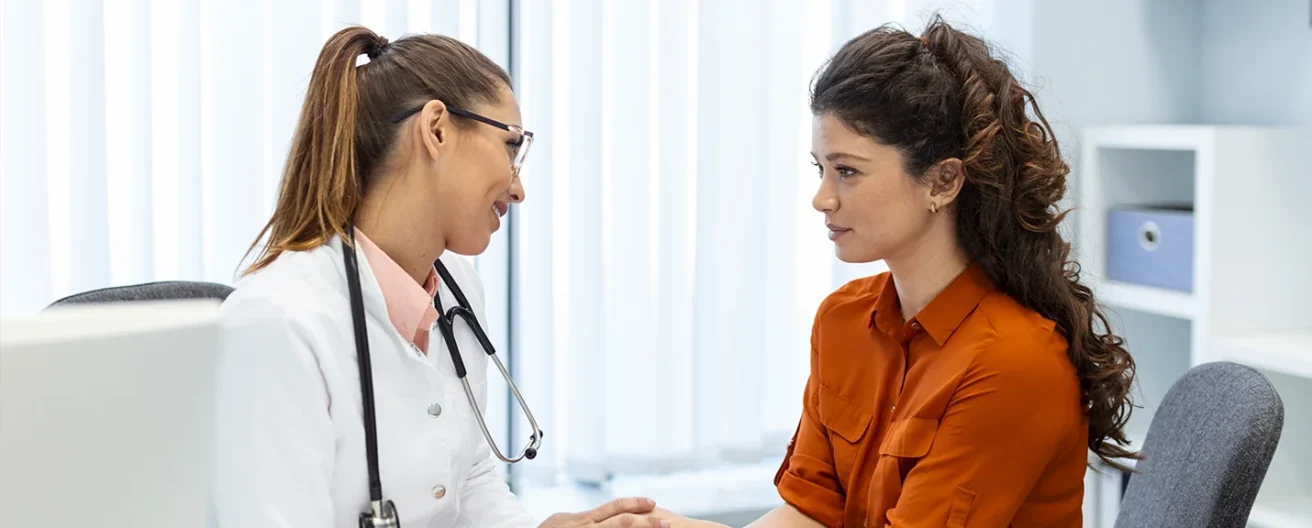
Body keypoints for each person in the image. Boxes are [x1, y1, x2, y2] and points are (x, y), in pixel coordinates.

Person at [655, 16, 1138, 528]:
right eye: (821, 169)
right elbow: (812, 514)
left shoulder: (1013, 363)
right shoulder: (842, 320)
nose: (822, 198)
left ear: (943, 181)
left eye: (848, 171)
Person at [209, 26, 669, 528]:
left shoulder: (458, 289)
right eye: (511, 147)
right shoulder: (279, 320)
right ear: (437, 129)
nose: (518, 190)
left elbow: (467, 476)